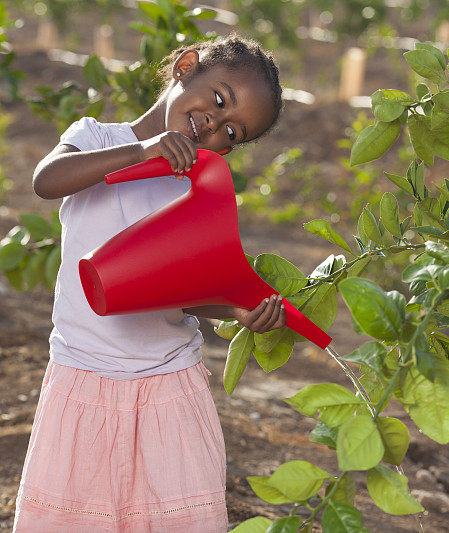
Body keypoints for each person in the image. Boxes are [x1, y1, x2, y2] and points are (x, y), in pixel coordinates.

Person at [14, 34, 286, 532]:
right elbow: (46, 180)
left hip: (168, 384)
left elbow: (187, 289)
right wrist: (140, 151)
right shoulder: (96, 137)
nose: (216, 125)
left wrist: (238, 311)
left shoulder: (198, 190)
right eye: (220, 100)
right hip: (83, 377)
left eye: (233, 133)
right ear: (185, 67)